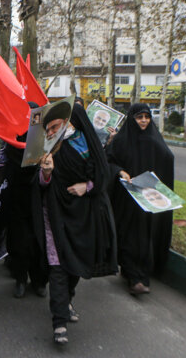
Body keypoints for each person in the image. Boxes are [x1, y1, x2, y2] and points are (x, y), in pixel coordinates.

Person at [34, 105, 117, 345]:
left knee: (75, 264)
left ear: (70, 123)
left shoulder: (90, 146)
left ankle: (67, 301)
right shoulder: (49, 150)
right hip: (55, 214)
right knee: (58, 265)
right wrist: (47, 172)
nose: (51, 132)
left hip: (83, 217)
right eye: (48, 129)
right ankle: (59, 322)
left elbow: (103, 176)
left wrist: (87, 186)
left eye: (56, 126)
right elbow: (39, 183)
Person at [106, 103, 174, 296]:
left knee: (144, 238)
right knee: (129, 235)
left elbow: (167, 158)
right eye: (139, 117)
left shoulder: (154, 140)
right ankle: (134, 276)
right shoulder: (121, 141)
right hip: (127, 199)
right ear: (131, 119)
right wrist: (119, 170)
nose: (144, 120)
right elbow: (109, 161)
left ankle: (138, 277)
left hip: (148, 198)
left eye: (146, 116)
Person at [5, 103, 48, 299]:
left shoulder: (47, 138)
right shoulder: (13, 137)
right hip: (18, 198)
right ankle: (21, 279)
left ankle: (39, 281)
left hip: (41, 198)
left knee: (40, 241)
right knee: (20, 241)